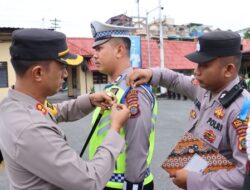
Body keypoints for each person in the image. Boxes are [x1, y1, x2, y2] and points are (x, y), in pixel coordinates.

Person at [0, 28, 131, 190]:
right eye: (62, 66)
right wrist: (115, 128)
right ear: (38, 73)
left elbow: (53, 111)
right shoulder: (31, 128)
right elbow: (91, 181)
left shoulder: (13, 105)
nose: (66, 74)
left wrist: (90, 100)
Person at [127, 31, 249, 190]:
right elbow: (175, 80)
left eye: (204, 65)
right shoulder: (205, 89)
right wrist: (151, 74)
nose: (196, 71)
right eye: (197, 64)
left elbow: (244, 176)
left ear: (228, 70)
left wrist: (194, 181)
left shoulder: (243, 110)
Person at [89, 21, 158, 190]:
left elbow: (137, 145)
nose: (94, 56)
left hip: (122, 185)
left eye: (99, 49)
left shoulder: (134, 89)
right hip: (105, 180)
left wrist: (133, 185)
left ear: (119, 50)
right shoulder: (113, 87)